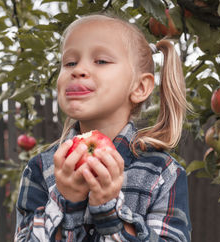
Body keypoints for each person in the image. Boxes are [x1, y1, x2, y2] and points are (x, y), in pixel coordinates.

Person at [14, 14, 191, 241]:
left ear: (139, 87)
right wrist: (66, 202)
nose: (77, 70)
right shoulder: (41, 169)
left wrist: (109, 213)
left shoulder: (162, 173)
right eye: (69, 63)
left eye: (101, 61)